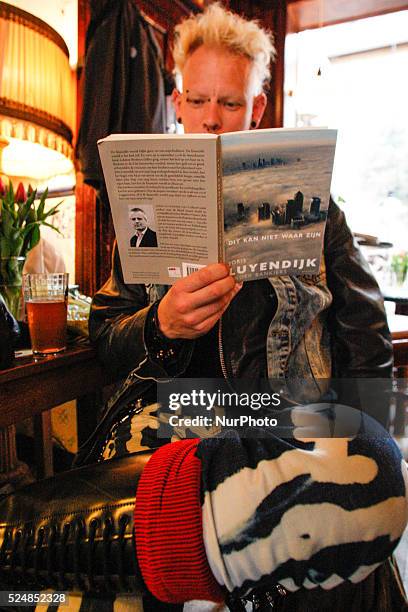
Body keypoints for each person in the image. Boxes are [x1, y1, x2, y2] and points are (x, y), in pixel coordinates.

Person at [0, 5, 406, 612]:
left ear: (258, 109)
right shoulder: (152, 200)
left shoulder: (317, 209)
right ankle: (208, 560)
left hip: (285, 419)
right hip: (185, 418)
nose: (213, 121)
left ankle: (41, 546)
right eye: (199, 101)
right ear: (178, 102)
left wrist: (366, 434)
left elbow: (366, 335)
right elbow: (107, 335)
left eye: (231, 103)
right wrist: (159, 326)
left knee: (375, 462)